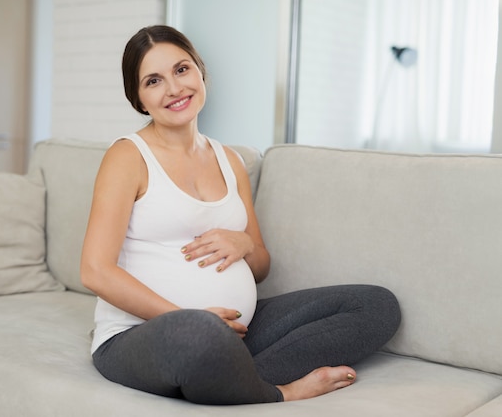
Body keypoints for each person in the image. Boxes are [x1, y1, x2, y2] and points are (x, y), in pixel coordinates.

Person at [80, 25, 401, 405]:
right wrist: (189, 318)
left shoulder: (229, 160)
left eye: (182, 70)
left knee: (376, 305)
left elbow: (261, 266)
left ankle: (226, 375)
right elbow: (95, 270)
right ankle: (279, 391)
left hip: (237, 330)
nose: (174, 88)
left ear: (200, 71)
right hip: (144, 334)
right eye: (153, 80)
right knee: (199, 336)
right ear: (139, 98)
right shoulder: (127, 157)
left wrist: (244, 242)